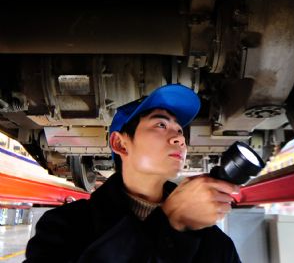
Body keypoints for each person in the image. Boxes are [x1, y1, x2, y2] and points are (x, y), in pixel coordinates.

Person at [25, 84, 242, 262]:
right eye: (160, 124)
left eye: (179, 130)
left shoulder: (215, 243)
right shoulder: (65, 227)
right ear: (120, 144)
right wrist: (170, 221)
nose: (180, 139)